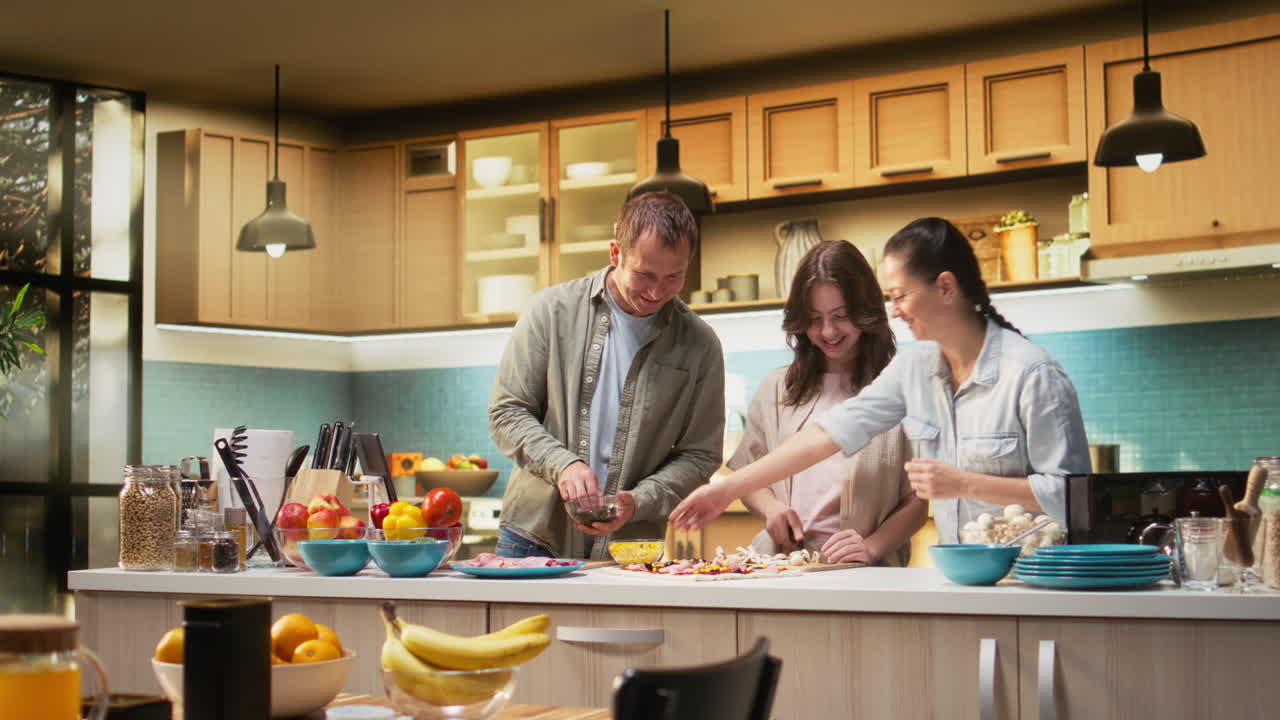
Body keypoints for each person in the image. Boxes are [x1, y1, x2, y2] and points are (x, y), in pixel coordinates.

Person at [671, 217, 1090, 544]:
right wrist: (725, 492)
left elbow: (1076, 498)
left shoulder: (1032, 375)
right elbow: (827, 434)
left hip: (1032, 580)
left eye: (901, 295)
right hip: (962, 583)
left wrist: (963, 484)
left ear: (945, 287)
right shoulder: (916, 368)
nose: (895, 310)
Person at [489, 191, 725, 559]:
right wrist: (563, 464)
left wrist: (640, 500)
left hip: (630, 549)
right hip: (533, 537)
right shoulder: (550, 312)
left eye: (673, 277)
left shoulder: (700, 344)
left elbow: (701, 455)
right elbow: (507, 412)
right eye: (645, 274)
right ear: (616, 253)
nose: (656, 291)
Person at [732, 241, 926, 566]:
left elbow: (917, 502)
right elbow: (748, 476)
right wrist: (771, 508)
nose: (827, 331)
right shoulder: (776, 388)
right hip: (782, 567)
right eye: (814, 318)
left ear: (866, 313)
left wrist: (872, 546)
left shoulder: (897, 390)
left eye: (841, 316)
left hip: (869, 573)